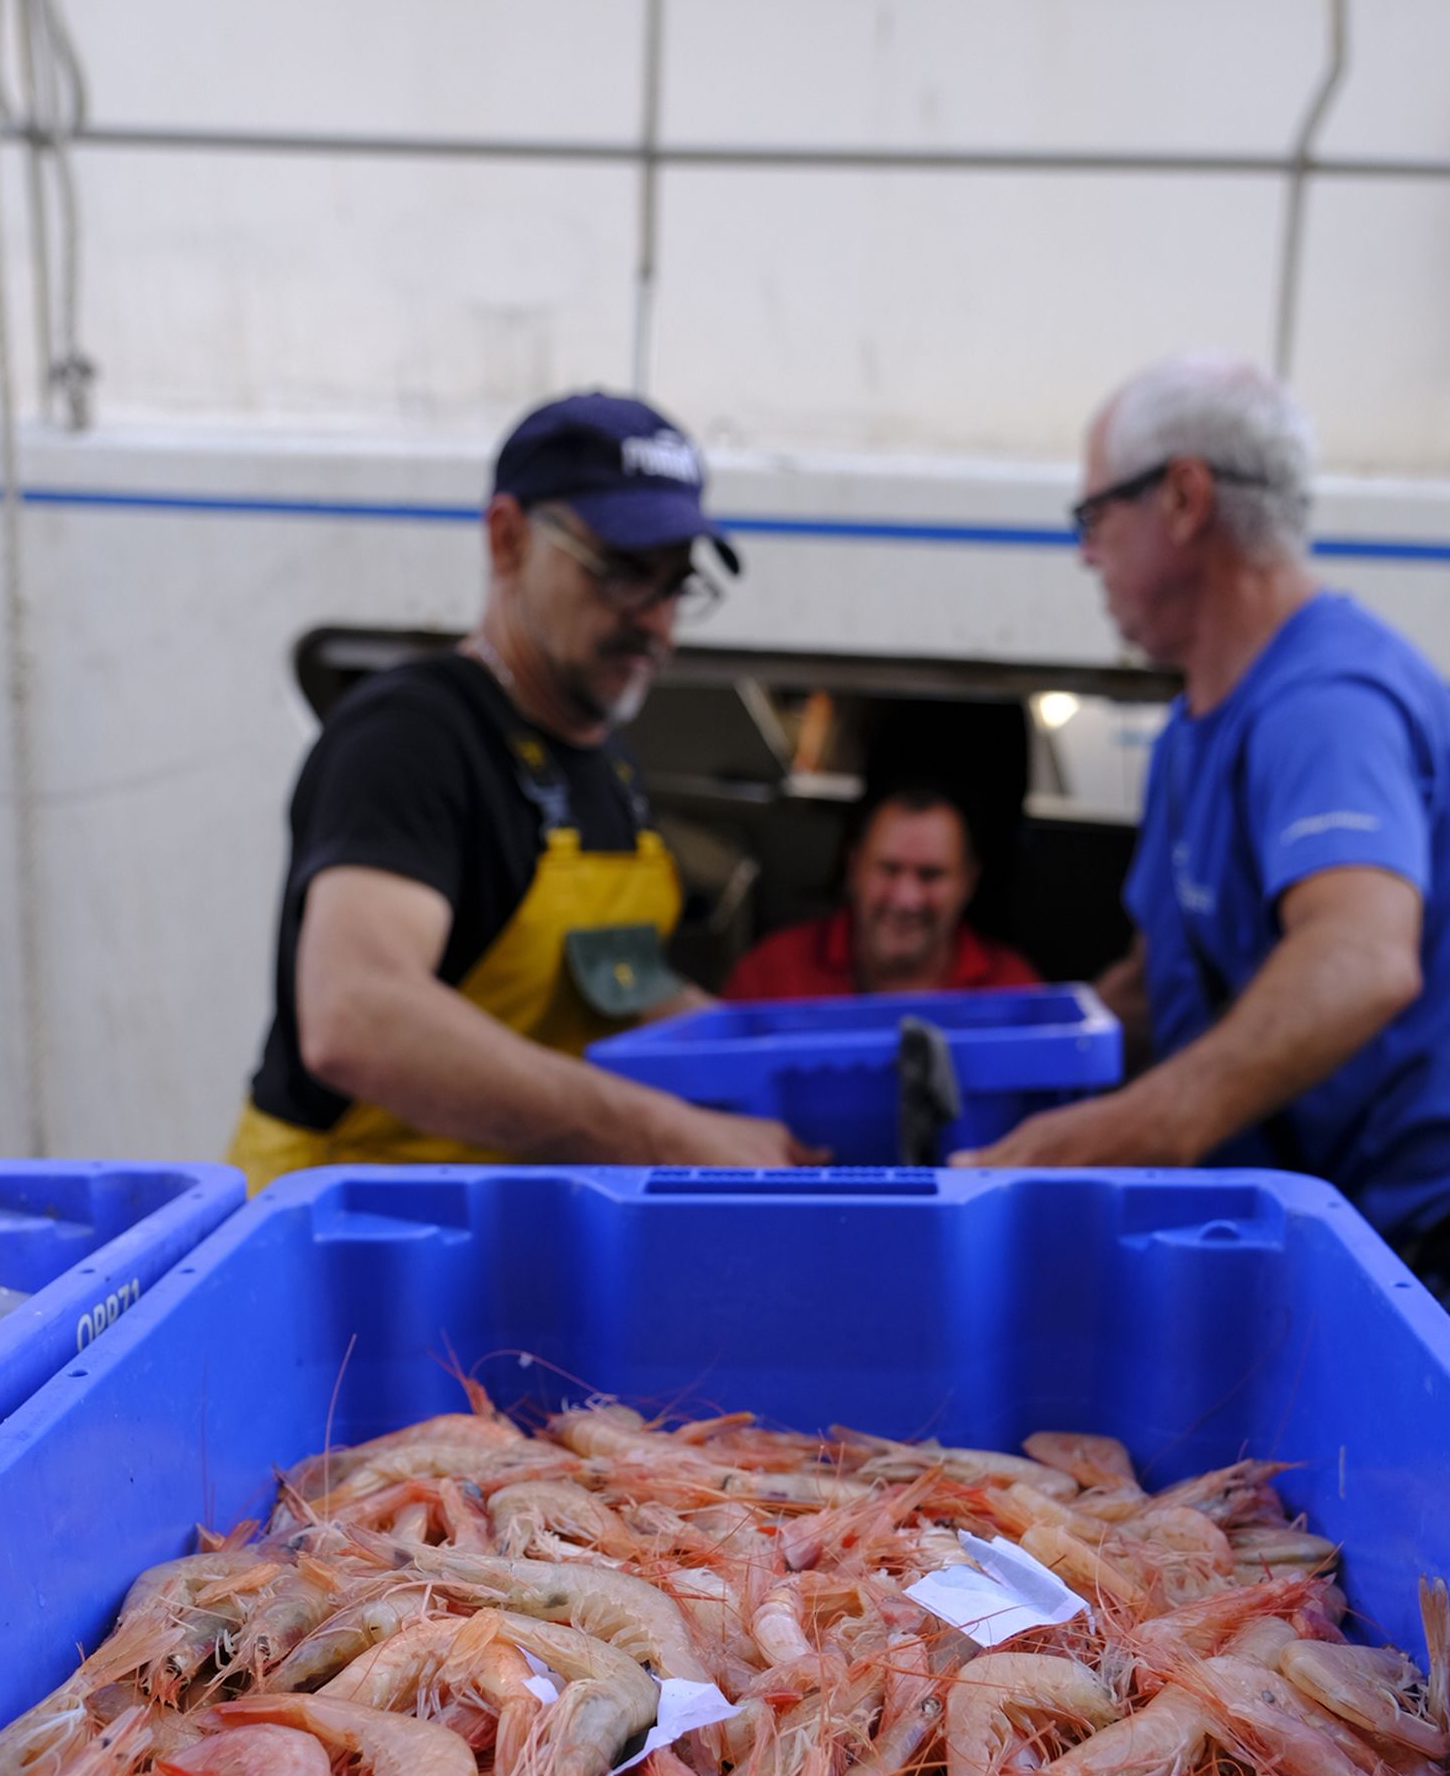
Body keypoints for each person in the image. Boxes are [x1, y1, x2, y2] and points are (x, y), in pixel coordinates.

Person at [957, 352, 1450, 1297]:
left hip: (1402, 1263)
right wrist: (977, 1056)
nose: (1084, 552)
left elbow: (1363, 957)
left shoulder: (1327, 704)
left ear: (1184, 499)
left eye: (1094, 515)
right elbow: (1155, 986)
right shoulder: (1194, 724)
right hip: (1299, 1249)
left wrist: (1125, 1132)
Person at [230, 391, 813, 1188]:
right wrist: (667, 1136)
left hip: (482, 1226)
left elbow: (623, 982)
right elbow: (356, 1018)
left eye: (676, 585)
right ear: (506, 539)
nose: (657, 624)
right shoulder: (411, 738)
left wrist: (795, 1065)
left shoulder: (608, 765)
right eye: (622, 574)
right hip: (337, 1237)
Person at [725, 786, 1039, 1000]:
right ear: (854, 868)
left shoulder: (1014, 991)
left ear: (968, 882)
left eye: (931, 875)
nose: (905, 899)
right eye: (888, 870)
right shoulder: (770, 976)